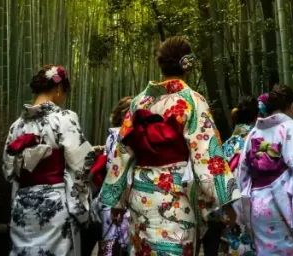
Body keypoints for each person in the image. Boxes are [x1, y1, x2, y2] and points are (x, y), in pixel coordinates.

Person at [100, 36, 241, 256]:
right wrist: (226, 201)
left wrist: (117, 201)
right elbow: (207, 157)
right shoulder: (192, 100)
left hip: (141, 192)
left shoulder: (139, 102)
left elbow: (123, 154)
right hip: (175, 192)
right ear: (188, 65)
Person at [2, 65, 95, 256]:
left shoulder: (16, 126)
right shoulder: (64, 118)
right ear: (58, 89)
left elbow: (8, 170)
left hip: (23, 205)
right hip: (56, 206)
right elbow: (82, 164)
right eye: (65, 93)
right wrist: (82, 208)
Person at [234, 85, 293, 255]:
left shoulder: (254, 133)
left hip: (257, 205)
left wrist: (242, 209)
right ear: (292, 106)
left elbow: (243, 173)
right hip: (282, 203)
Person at [215, 97, 258, 256]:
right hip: (254, 198)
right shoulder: (257, 140)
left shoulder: (226, 145)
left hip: (230, 201)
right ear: (257, 116)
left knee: (236, 245)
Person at [97, 97, 133, 256]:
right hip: (124, 193)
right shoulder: (122, 135)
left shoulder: (112, 135)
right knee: (124, 244)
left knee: (110, 245)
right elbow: (116, 167)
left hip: (111, 193)